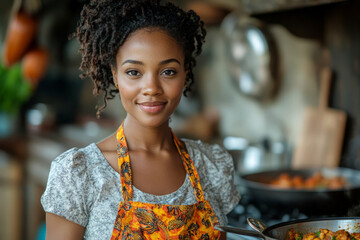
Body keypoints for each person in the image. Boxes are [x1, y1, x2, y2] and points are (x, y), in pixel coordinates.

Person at [41, 0, 240, 239]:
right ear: (115, 75)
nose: (151, 88)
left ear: (185, 74)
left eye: (168, 72)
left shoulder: (212, 167)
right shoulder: (79, 175)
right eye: (134, 72)